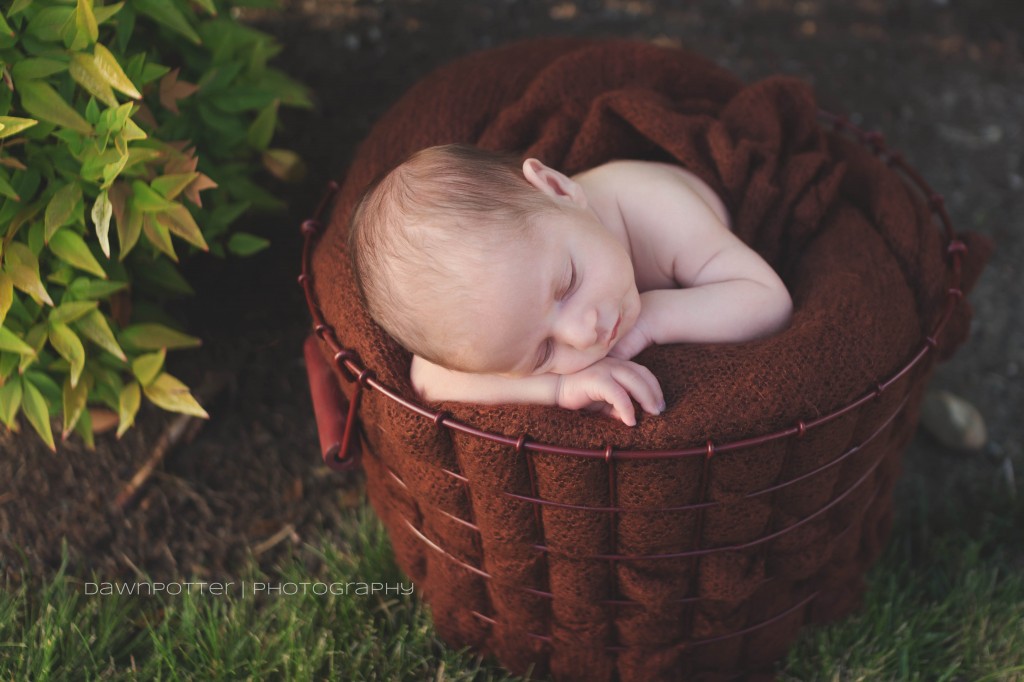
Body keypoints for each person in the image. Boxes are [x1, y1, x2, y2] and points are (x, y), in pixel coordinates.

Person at [349, 144, 792, 426]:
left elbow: (766, 298)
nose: (584, 335)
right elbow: (428, 378)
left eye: (568, 284)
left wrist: (652, 319)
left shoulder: (659, 208)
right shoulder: (517, 289)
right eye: (543, 352)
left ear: (559, 189)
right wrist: (559, 390)